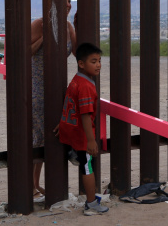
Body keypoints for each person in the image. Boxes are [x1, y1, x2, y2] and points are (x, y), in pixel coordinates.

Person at [30, 0, 78, 200]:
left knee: (52, 133)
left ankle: (41, 184)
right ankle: (31, 186)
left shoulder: (68, 27)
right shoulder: (38, 24)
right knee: (38, 135)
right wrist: (46, 35)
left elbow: (77, 53)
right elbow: (26, 51)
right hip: (38, 87)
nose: (68, 5)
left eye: (69, 1)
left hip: (58, 86)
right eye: (64, 1)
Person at [56, 42, 109, 216]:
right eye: (93, 61)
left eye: (99, 60)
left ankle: (75, 154)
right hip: (82, 135)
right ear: (81, 63)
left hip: (70, 129)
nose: (98, 65)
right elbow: (86, 115)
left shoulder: (76, 80)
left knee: (84, 162)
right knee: (88, 167)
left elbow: (70, 105)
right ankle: (91, 204)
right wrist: (91, 140)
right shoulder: (87, 86)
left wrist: (63, 122)